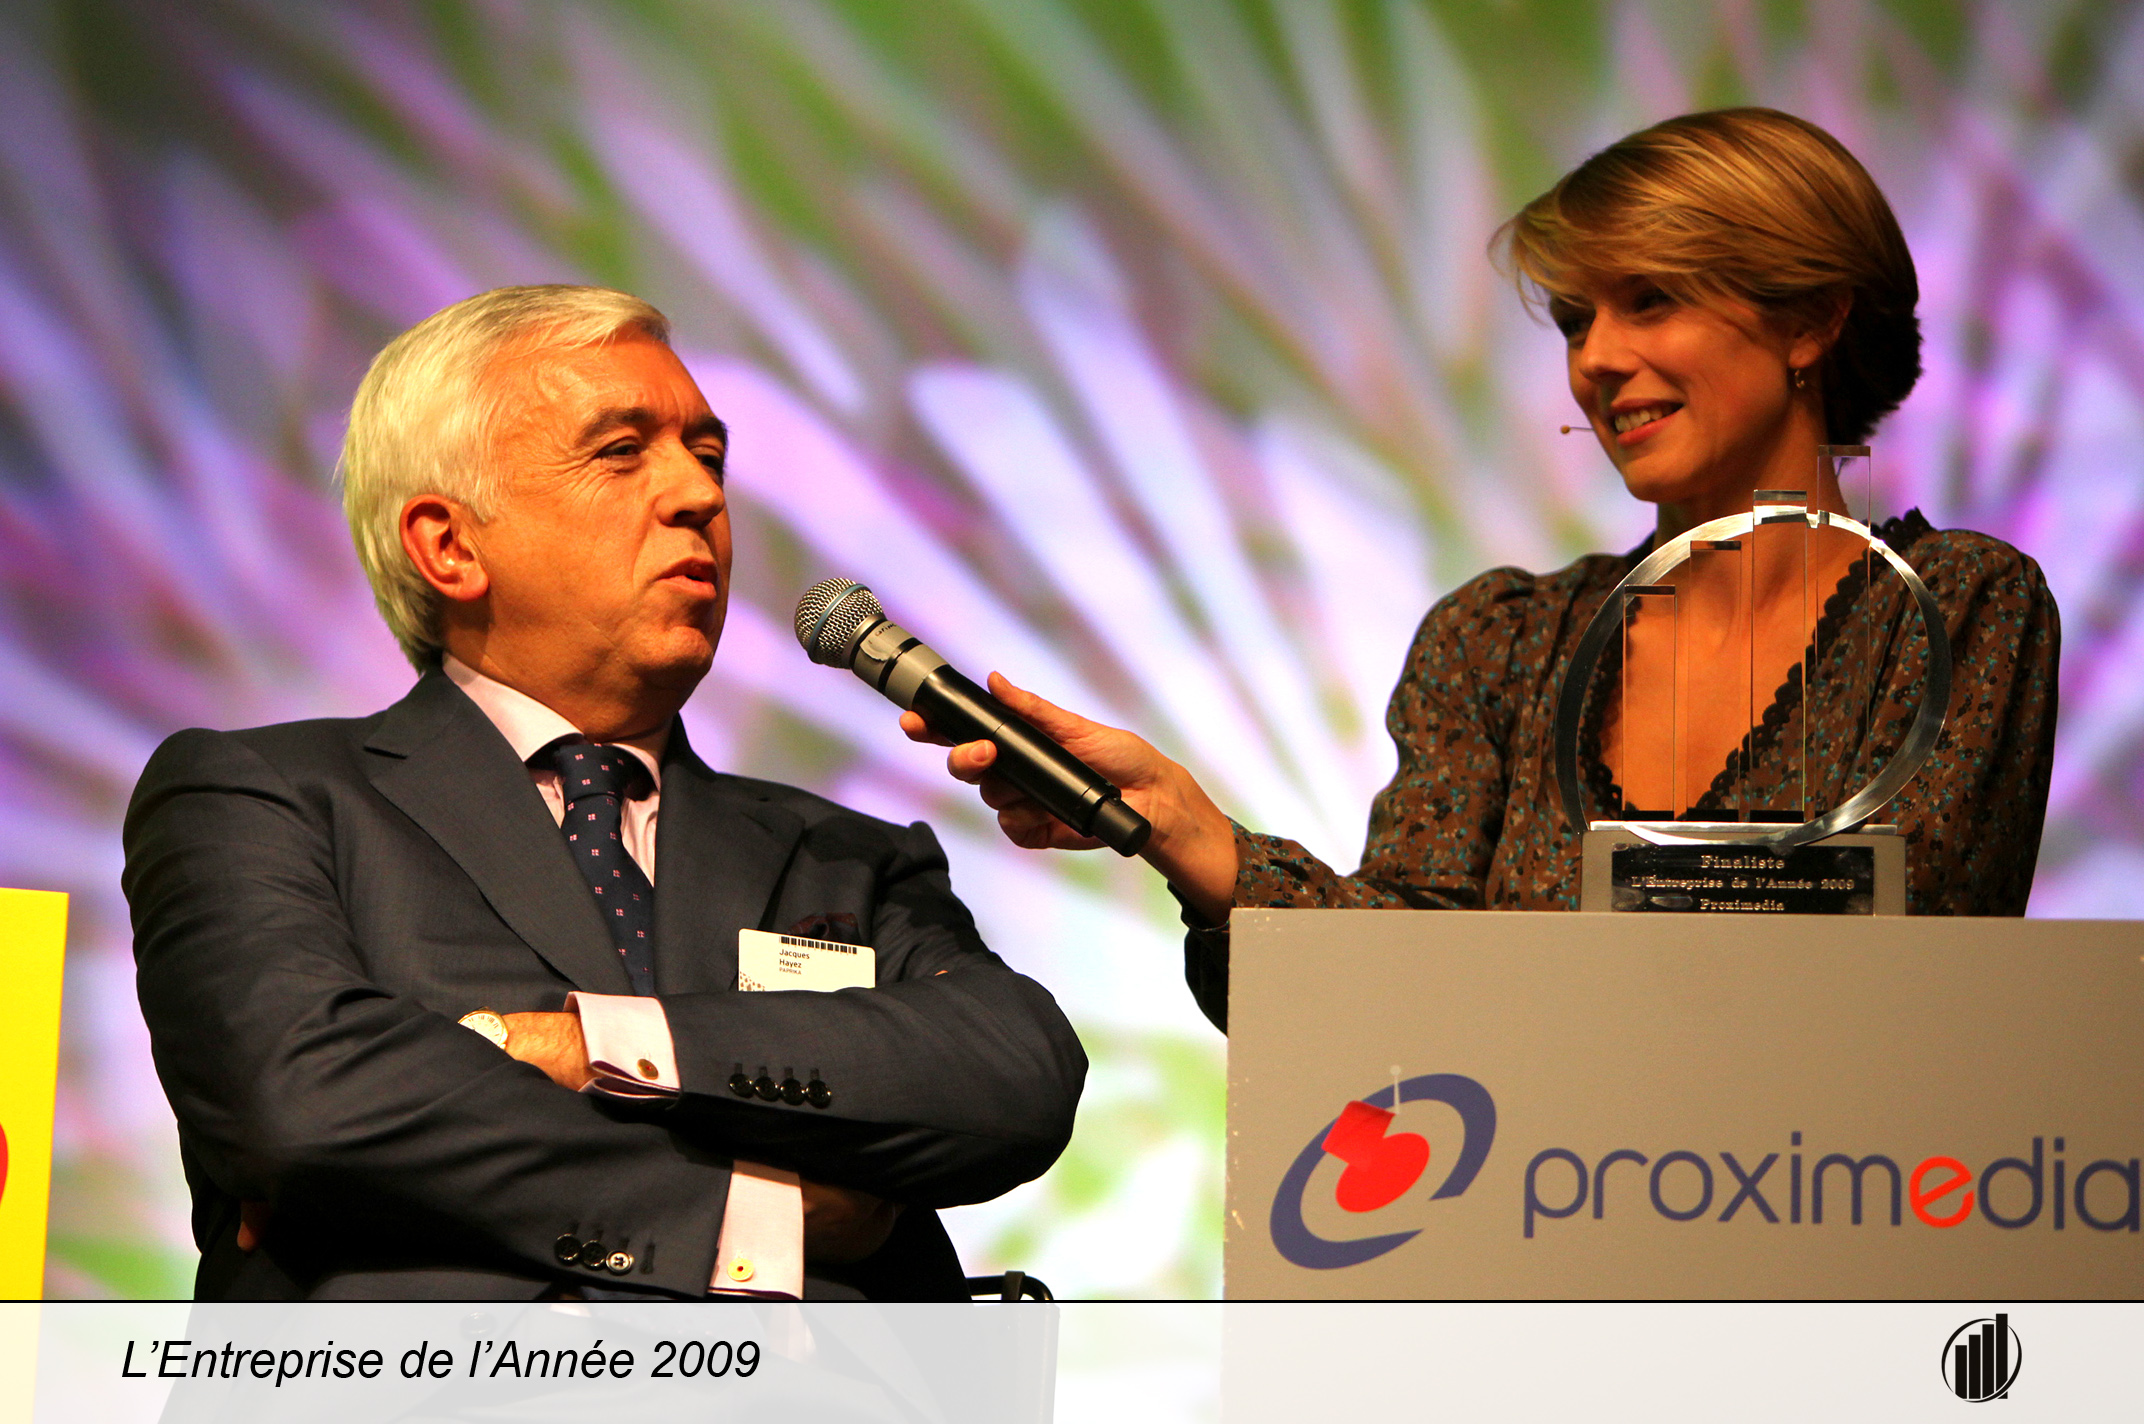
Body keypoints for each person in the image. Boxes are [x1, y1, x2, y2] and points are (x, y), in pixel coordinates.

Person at [905, 109, 2060, 1032]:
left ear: (1808, 321)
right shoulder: (1500, 639)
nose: (1596, 358)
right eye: (1572, 318)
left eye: (1649, 299)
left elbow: (1894, 979)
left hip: (1819, 1217)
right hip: (1528, 1228)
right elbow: (1394, 986)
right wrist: (1185, 830)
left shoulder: (1960, 608)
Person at [124, 285, 1086, 1300]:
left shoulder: (842, 854)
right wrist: (760, 1218)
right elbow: (306, 1104)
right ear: (449, 546)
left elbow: (1011, 1073)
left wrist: (596, 1046)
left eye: (707, 456)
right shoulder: (263, 799)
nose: (698, 494)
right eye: (622, 451)